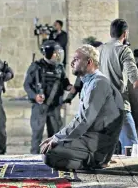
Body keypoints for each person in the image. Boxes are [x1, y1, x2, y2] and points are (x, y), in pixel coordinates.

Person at [41, 44, 124, 170]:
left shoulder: (98, 83)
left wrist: (58, 138)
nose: (72, 62)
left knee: (49, 154)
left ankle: (97, 161)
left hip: (100, 141)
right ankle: (91, 159)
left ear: (89, 62)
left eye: (76, 59)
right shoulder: (88, 83)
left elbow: (84, 120)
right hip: (90, 136)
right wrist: (56, 136)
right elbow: (80, 118)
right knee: (48, 147)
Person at [24, 40, 72, 154]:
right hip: (40, 107)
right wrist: (35, 96)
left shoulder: (59, 67)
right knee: (37, 134)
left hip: (55, 107)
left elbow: (65, 83)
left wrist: (70, 87)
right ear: (49, 53)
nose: (57, 55)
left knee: (55, 134)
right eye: (55, 52)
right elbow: (27, 84)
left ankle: (54, 156)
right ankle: (34, 158)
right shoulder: (36, 67)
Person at [99, 18, 138, 154]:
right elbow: (135, 79)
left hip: (101, 104)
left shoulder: (100, 50)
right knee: (131, 145)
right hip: (119, 105)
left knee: (108, 144)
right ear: (125, 33)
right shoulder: (124, 50)